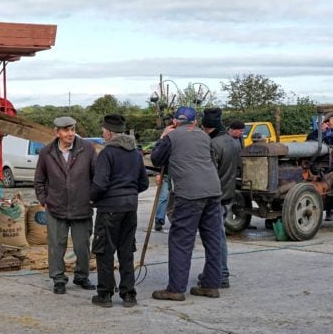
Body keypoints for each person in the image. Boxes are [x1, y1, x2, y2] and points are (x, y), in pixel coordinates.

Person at [149, 106, 224, 301]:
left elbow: (156, 159)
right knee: (213, 239)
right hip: (213, 190)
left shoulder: (171, 137)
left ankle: (176, 289)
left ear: (174, 122)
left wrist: (163, 137)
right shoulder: (204, 136)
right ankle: (211, 285)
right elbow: (212, 161)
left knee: (181, 241)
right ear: (195, 122)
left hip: (189, 193)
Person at [88, 114, 149, 307]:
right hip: (130, 208)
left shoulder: (107, 153)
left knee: (104, 250)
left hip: (110, 209)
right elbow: (144, 183)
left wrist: (91, 197)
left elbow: (100, 183)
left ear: (108, 133)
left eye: (103, 132)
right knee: (126, 250)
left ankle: (105, 294)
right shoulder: (135, 153)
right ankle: (129, 294)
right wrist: (129, 194)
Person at [34, 116, 96, 294]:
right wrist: (44, 200)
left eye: (72, 129)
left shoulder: (87, 149)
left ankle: (82, 276)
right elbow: (39, 180)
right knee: (56, 245)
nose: (70, 133)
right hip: (56, 207)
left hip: (82, 207)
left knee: (82, 246)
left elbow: (97, 176)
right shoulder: (46, 152)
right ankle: (58, 279)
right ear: (57, 132)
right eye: (66, 130)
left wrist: (92, 198)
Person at [199, 108, 241, 289]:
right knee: (218, 235)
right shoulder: (233, 142)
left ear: (206, 127)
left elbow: (210, 173)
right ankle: (217, 271)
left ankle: (221, 273)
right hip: (228, 193)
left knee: (216, 237)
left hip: (215, 196)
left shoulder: (213, 144)